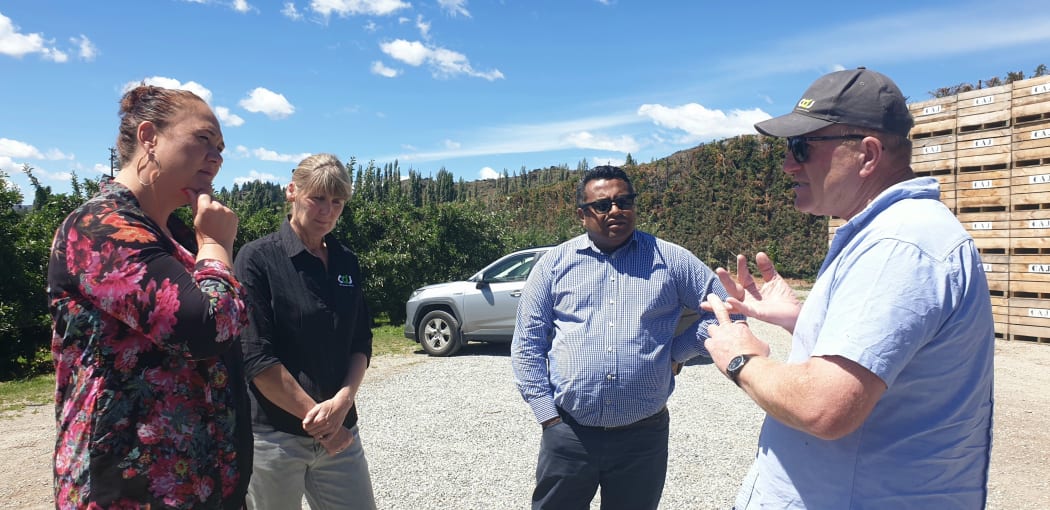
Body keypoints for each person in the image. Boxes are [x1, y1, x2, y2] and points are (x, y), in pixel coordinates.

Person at [702, 67, 995, 508]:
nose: (787, 164)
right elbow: (892, 357)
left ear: (868, 154)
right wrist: (800, 320)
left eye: (801, 147)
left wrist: (740, 357)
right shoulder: (892, 234)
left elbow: (824, 407)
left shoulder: (898, 244)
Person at [48, 85, 251, 508]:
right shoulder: (100, 228)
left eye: (221, 147)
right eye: (203, 139)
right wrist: (215, 247)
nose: (216, 156)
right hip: (127, 487)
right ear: (149, 137)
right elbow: (207, 330)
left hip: (192, 482)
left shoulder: (173, 238)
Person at [511, 165, 739, 510]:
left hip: (643, 437)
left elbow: (728, 312)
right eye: (602, 205)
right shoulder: (553, 265)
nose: (615, 211)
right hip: (569, 433)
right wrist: (548, 417)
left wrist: (679, 351)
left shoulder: (671, 259)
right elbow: (527, 344)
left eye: (624, 201)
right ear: (582, 214)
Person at [235, 153, 377, 510]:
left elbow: (360, 341)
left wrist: (343, 404)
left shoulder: (347, 261)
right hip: (275, 436)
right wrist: (326, 425)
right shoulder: (257, 259)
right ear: (292, 192)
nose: (327, 211)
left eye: (337, 202)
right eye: (317, 198)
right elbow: (256, 359)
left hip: (343, 431)